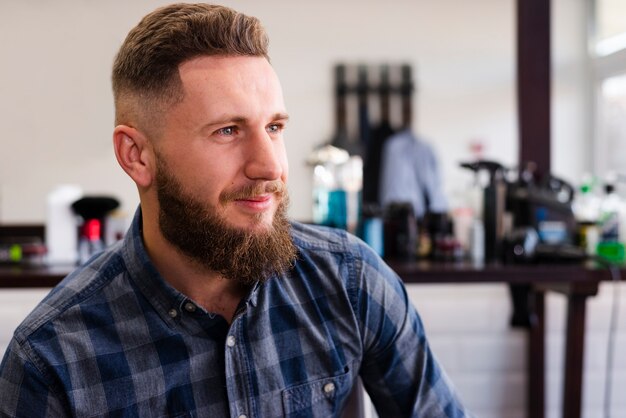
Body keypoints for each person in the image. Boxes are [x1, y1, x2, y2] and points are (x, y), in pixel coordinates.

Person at [0, 4, 473, 417]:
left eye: (274, 126)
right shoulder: (52, 358)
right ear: (136, 156)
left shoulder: (351, 281)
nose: (270, 165)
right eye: (227, 130)